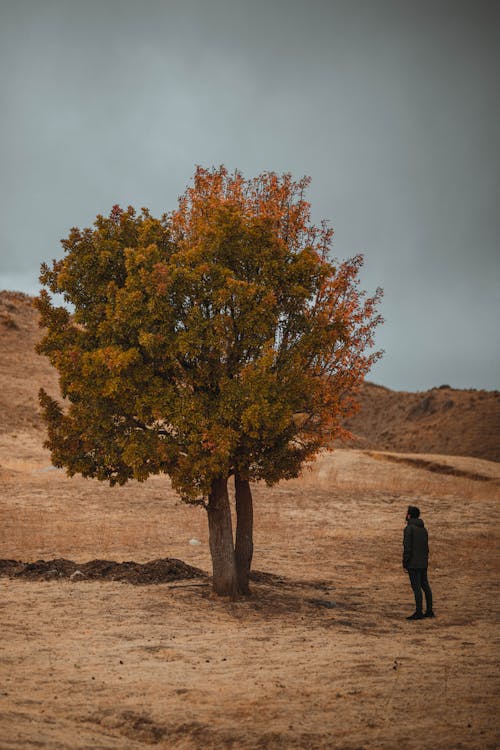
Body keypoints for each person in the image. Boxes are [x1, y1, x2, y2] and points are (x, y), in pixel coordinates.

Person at [403, 505, 435, 620]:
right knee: (425, 586)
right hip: (423, 563)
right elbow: (426, 548)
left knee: (416, 588)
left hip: (413, 563)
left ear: (409, 515)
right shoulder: (423, 529)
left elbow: (407, 548)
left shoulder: (409, 529)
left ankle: (419, 612)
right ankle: (429, 610)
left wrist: (405, 562)